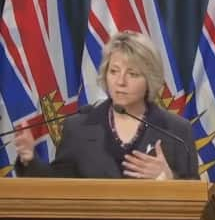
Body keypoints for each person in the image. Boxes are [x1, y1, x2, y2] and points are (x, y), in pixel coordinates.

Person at [14, 30, 198, 179]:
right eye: (114, 71)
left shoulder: (176, 131)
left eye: (132, 74)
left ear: (149, 80)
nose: (120, 81)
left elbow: (194, 196)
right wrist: (29, 159)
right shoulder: (79, 127)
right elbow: (59, 185)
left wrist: (167, 178)